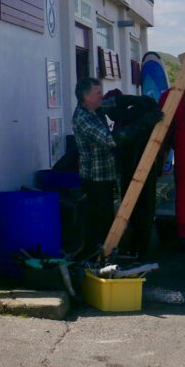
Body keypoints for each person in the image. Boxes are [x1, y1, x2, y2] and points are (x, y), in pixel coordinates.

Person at [72, 78, 162, 256]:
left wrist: (132, 100)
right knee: (100, 221)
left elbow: (111, 102)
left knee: (105, 218)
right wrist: (143, 123)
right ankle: (96, 258)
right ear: (85, 96)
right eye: (98, 93)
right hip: (95, 179)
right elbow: (111, 140)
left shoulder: (95, 107)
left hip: (107, 175)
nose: (101, 96)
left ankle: (102, 255)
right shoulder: (82, 118)